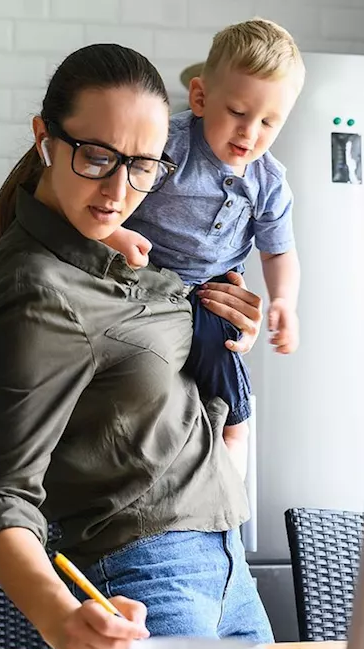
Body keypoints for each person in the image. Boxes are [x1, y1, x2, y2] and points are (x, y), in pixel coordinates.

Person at [0, 42, 275, 649]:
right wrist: (58, 618)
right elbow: (3, 495)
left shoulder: (125, 251)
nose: (117, 189)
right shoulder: (40, 290)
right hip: (148, 577)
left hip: (229, 566)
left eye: (143, 167)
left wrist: (227, 318)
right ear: (45, 138)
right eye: (97, 157)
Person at [103, 18, 305, 475]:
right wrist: (117, 235)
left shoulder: (269, 181)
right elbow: (110, 201)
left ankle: (233, 451)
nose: (249, 133)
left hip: (211, 290)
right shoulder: (166, 145)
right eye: (237, 112)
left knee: (224, 360)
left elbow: (278, 251)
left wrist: (284, 304)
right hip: (140, 274)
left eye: (269, 122)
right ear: (200, 97)